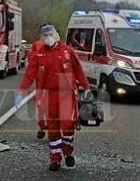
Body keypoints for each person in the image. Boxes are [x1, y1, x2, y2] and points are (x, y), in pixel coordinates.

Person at [17, 24, 90, 171]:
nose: (48, 38)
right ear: (41, 38)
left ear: (56, 35)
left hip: (66, 94)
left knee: (68, 125)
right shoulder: (39, 54)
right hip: (48, 95)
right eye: (45, 35)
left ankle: (68, 151)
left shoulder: (68, 52)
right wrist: (21, 91)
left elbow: (79, 70)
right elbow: (30, 74)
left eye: (50, 34)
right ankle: (55, 158)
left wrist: (86, 88)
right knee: (53, 127)